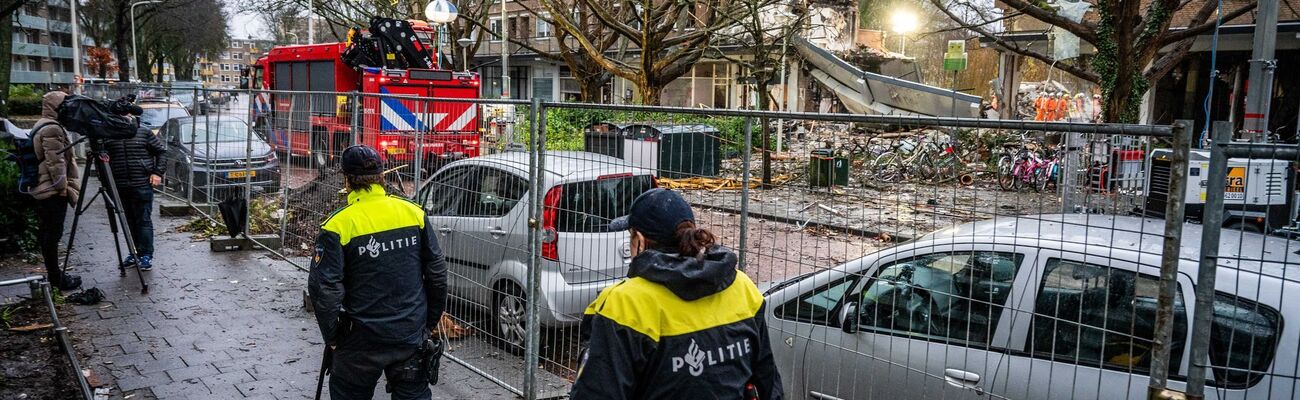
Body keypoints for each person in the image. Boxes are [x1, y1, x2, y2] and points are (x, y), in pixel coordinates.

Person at [570, 188, 782, 399]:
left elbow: (596, 391)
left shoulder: (625, 303)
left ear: (640, 241)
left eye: (631, 236)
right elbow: (769, 383)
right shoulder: (741, 286)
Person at [308, 145, 448, 400]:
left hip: (361, 340)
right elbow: (437, 273)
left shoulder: (338, 225)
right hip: (409, 333)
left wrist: (333, 338)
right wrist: (427, 325)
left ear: (347, 180)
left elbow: (324, 290)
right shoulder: (413, 213)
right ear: (382, 176)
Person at [30, 90, 82, 290]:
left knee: (49, 233)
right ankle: (57, 279)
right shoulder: (51, 128)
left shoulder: (42, 124)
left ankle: (56, 276)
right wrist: (63, 187)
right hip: (51, 190)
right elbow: (56, 162)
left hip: (44, 187)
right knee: (52, 234)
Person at [102, 125, 166, 270]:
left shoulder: (143, 132)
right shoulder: (109, 133)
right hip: (119, 184)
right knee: (128, 221)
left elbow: (161, 152)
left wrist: (157, 172)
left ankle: (146, 255)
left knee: (143, 220)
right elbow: (103, 158)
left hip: (141, 183)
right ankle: (135, 252)